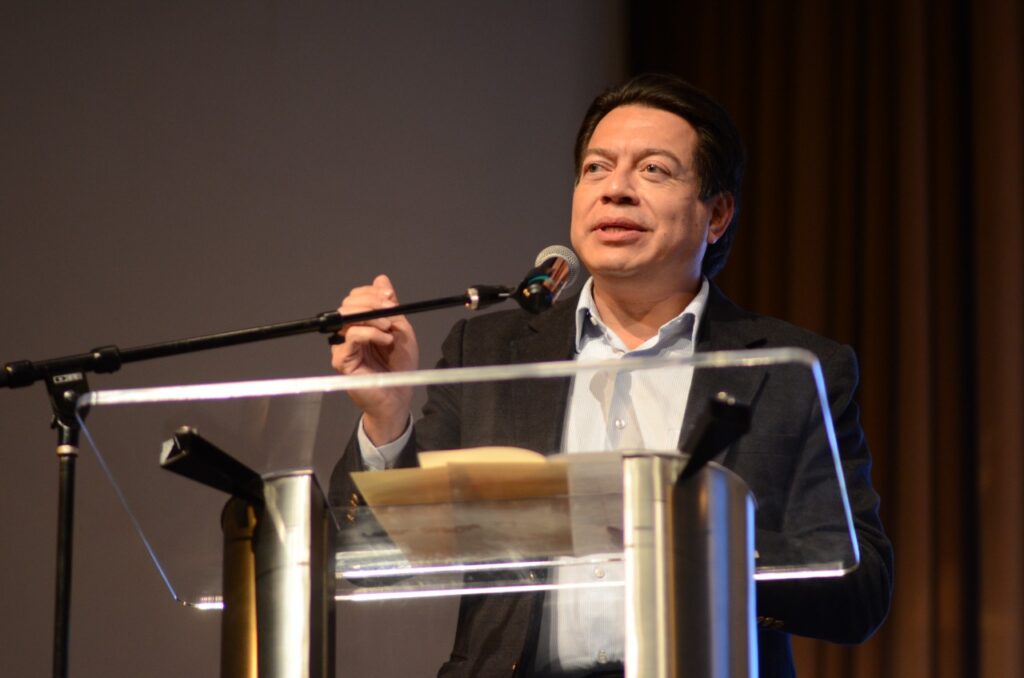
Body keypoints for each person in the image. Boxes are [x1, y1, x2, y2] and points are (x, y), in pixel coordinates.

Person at [328, 73, 893, 678]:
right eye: (596, 168)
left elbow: (860, 590)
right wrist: (386, 416)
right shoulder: (489, 351)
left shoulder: (790, 368)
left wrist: (712, 541)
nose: (616, 189)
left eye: (653, 170)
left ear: (717, 214)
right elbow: (368, 557)